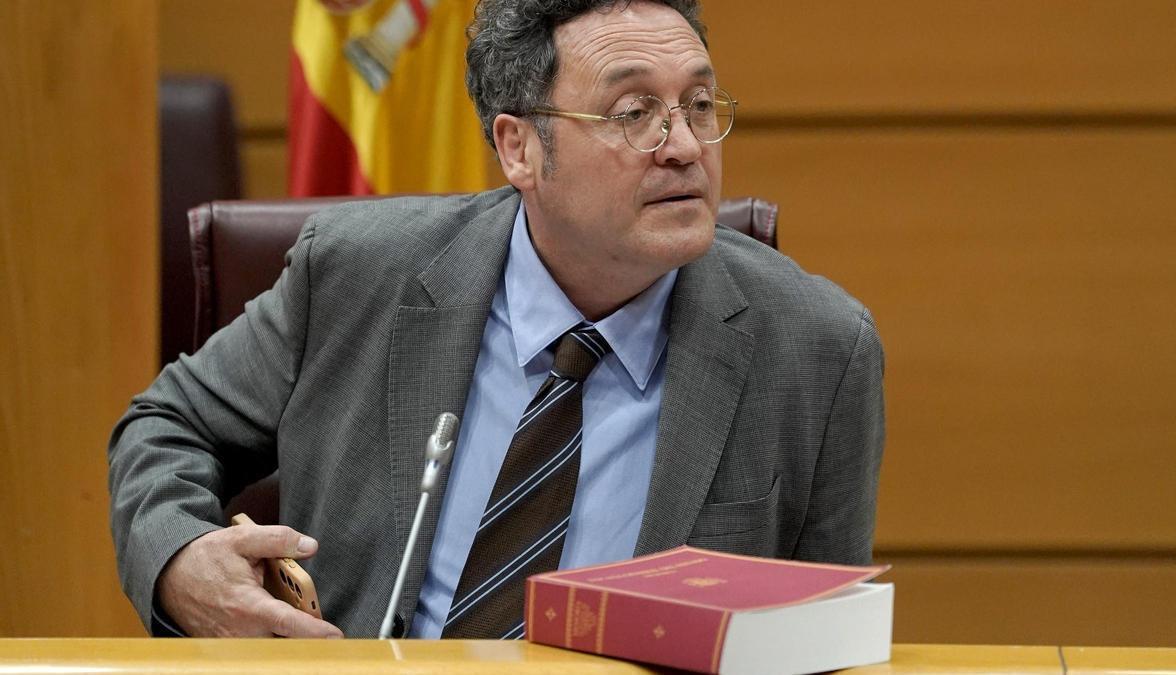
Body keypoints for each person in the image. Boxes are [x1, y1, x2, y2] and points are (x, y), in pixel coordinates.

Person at [108, 0, 884, 640]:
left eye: (699, 105)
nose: (682, 146)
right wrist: (181, 560)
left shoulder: (817, 349)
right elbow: (165, 425)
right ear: (519, 148)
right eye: (633, 112)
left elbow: (817, 644)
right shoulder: (354, 275)